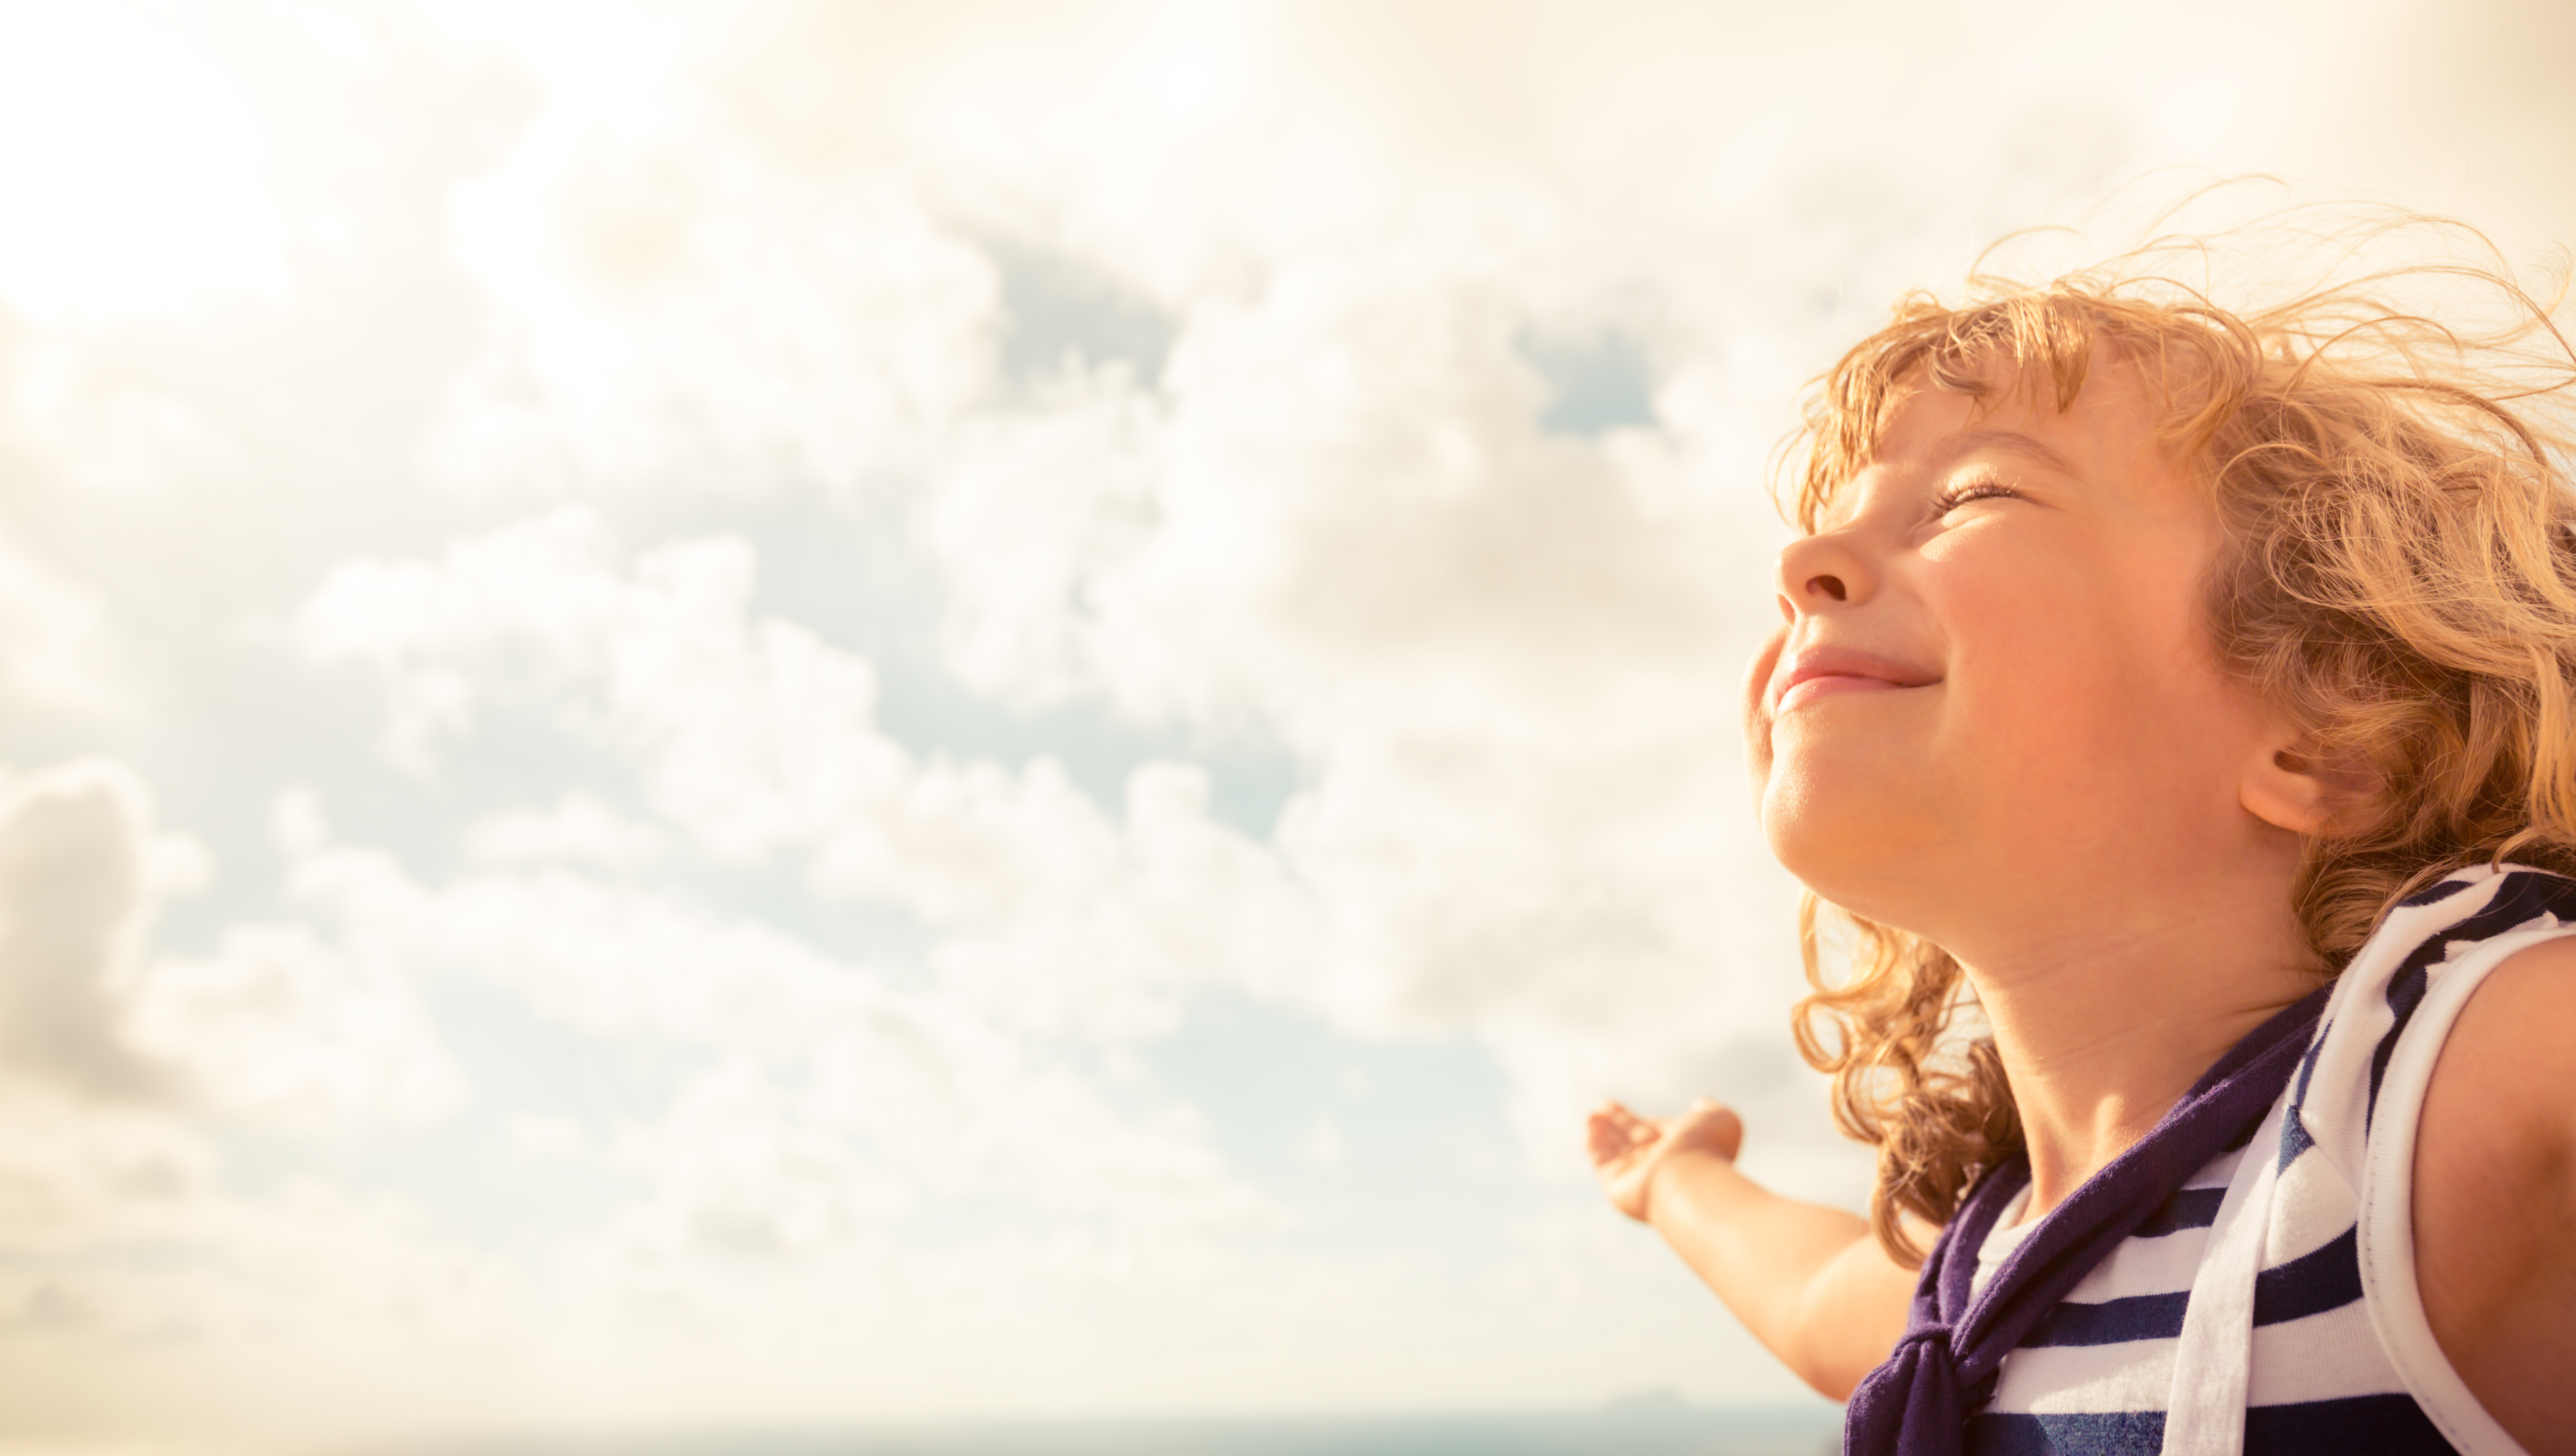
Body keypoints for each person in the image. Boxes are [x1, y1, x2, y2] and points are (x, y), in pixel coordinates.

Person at [1586, 211, 2576, 1455]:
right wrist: (1678, 1179)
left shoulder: (2436, 1101)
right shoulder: (1979, 1281)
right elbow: (1805, 1291)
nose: (1803, 560)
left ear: (2325, 733)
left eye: (1970, 494)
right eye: (1833, 519)